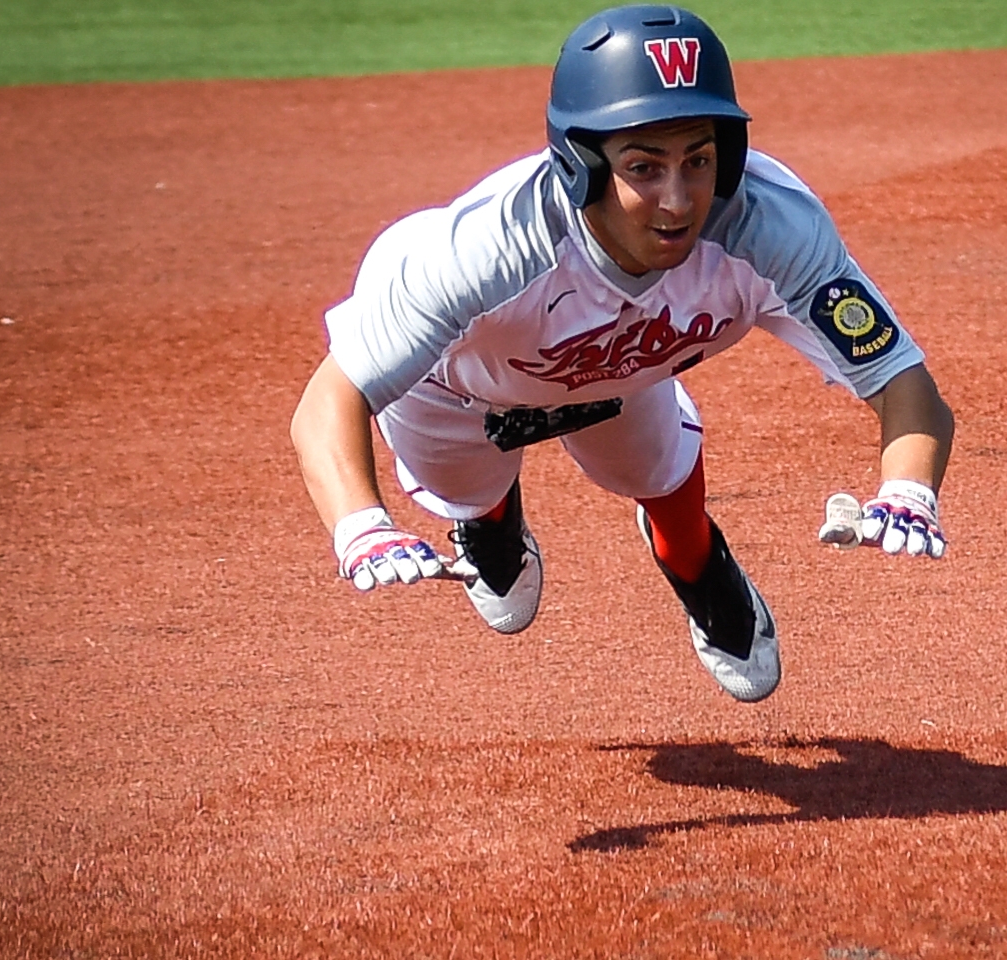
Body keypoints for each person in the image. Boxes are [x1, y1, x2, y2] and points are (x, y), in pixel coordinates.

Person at [289, 4, 954, 704]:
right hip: (456, 388)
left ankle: (699, 565)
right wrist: (361, 525)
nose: (678, 199)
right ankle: (487, 520)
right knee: (470, 490)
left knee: (654, 470)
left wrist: (909, 490)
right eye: (644, 165)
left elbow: (901, 380)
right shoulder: (480, 253)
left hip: (619, 371)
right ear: (581, 165)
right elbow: (330, 400)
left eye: (699, 159)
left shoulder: (770, 225)